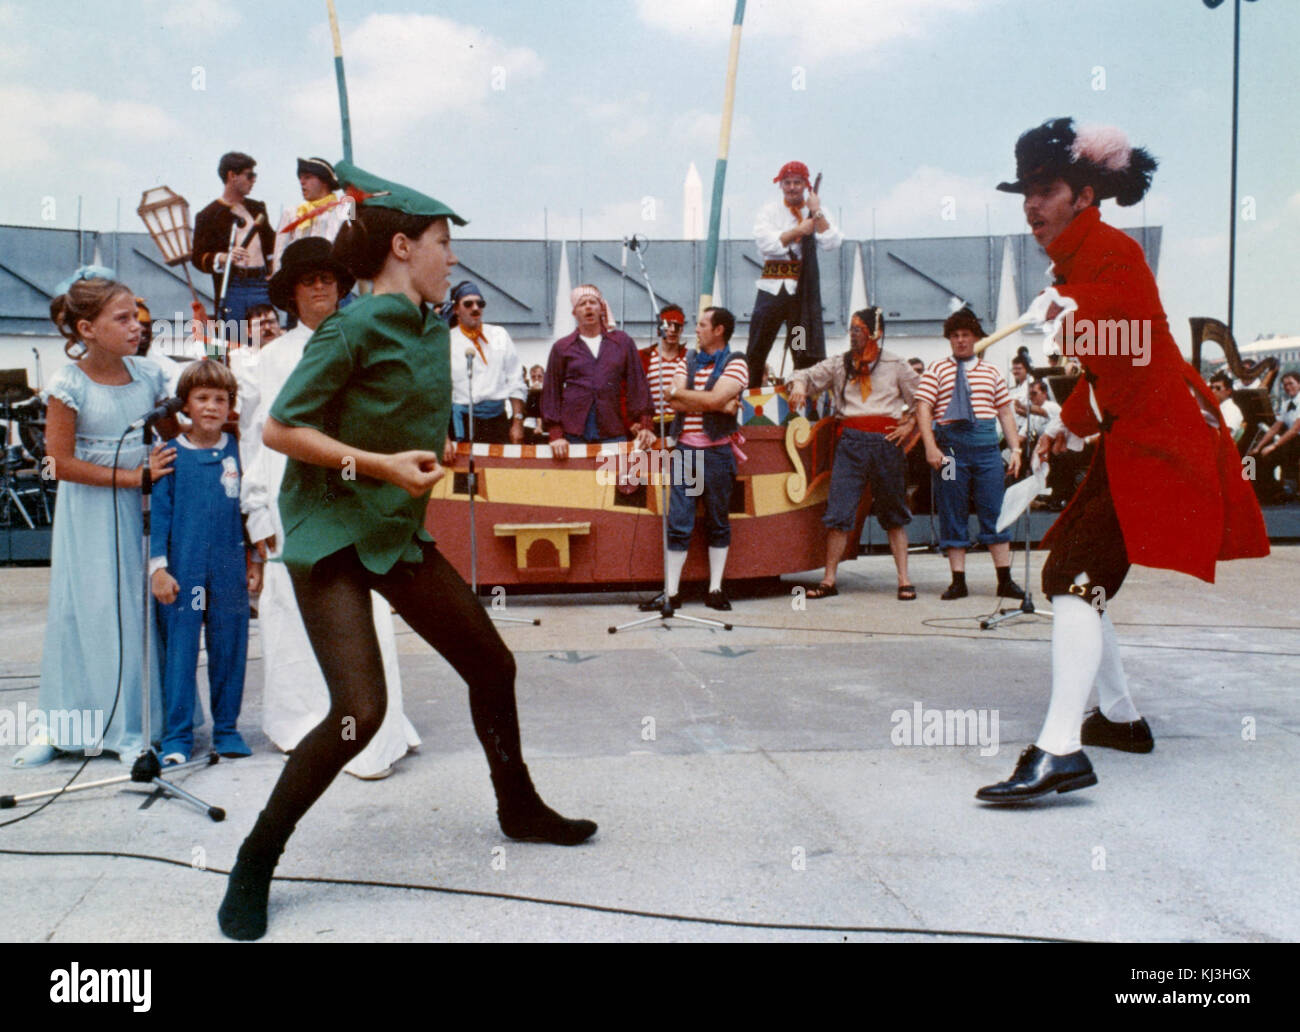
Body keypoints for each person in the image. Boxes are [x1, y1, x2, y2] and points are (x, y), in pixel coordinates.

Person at [218, 161, 595, 941]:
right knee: (360, 713)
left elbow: (392, 420)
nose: (451, 257)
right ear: (401, 246)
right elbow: (280, 428)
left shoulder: (432, 328)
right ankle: (257, 857)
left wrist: (434, 453)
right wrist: (381, 465)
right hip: (330, 538)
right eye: (441, 241)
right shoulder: (351, 326)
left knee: (492, 663)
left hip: (393, 533)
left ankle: (517, 806)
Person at [976, 118, 1269, 802]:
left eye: (1046, 190)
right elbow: (1117, 367)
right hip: (1137, 440)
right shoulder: (1081, 263)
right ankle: (1121, 717)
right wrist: (1065, 423)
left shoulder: (1109, 254)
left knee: (1075, 578)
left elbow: (1125, 343)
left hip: (1160, 445)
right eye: (1026, 192)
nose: (1032, 205)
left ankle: (1059, 750)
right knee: (1073, 572)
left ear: (1083, 195)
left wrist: (1067, 312)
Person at [241, 235, 419, 781]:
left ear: (343, 287)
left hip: (355, 499)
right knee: (293, 613)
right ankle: (303, 727)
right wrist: (258, 514)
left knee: (360, 611)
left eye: (328, 279)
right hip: (289, 500)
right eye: (307, 281)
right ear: (290, 295)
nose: (320, 288)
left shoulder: (367, 343)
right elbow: (255, 441)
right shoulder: (267, 361)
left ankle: (368, 731)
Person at [12, 271, 175, 767]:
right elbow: (55, 462)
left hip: (142, 513)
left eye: (136, 318)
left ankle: (132, 729)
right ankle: (63, 726)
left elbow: (174, 432)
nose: (136, 328)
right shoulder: (68, 383)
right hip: (88, 512)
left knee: (131, 609)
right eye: (122, 319)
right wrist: (132, 477)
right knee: (83, 611)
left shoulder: (149, 376)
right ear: (87, 328)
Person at [150, 360, 253, 763]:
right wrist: (158, 568)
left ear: (231, 407)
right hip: (186, 576)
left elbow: (248, 511)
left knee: (229, 647)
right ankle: (177, 737)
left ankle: (226, 729)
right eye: (202, 398)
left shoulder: (239, 452)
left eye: (221, 399)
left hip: (228, 572)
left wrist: (255, 559)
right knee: (182, 649)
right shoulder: (170, 456)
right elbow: (159, 517)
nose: (211, 406)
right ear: (185, 406)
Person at [787, 307, 920, 600]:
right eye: (850, 329)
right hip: (851, 443)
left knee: (895, 514)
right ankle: (829, 580)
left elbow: (923, 399)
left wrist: (909, 423)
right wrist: (799, 385)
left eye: (858, 329)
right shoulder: (840, 363)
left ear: (876, 333)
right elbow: (805, 375)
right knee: (839, 512)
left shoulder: (896, 363)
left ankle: (904, 579)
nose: (852, 334)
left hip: (887, 444)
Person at [639, 307, 747, 612]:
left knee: (717, 520)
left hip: (717, 452)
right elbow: (672, 398)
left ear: (719, 330)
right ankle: (671, 592)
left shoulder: (736, 362)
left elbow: (689, 397)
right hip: (686, 451)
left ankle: (715, 589)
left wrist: (695, 398)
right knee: (679, 521)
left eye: (702, 325)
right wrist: (717, 403)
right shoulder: (688, 359)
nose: (696, 330)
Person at [915, 307, 1024, 600]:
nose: (960, 341)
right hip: (950, 453)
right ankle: (958, 580)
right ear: (949, 339)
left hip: (987, 451)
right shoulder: (937, 369)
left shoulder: (991, 372)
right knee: (952, 508)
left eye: (966, 335)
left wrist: (1015, 448)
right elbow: (923, 408)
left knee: (995, 509)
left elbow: (1005, 411)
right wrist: (930, 446)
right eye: (955, 336)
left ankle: (1004, 579)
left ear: (976, 338)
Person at [746, 161, 843, 389]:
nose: (792, 188)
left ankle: (803, 392)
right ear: (781, 185)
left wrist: (817, 212)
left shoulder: (815, 211)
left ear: (805, 185)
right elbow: (766, 244)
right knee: (759, 343)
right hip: (773, 288)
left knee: (799, 344)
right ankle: (751, 393)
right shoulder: (770, 211)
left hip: (800, 294)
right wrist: (799, 231)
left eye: (797, 183)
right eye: (787, 183)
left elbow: (832, 241)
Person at [541, 284, 654, 459]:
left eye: (592, 302)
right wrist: (556, 435)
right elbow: (551, 393)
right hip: (574, 433)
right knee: (578, 485)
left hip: (613, 429)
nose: (588, 307)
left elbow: (638, 385)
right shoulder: (562, 347)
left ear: (601, 308)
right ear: (574, 313)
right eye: (582, 303)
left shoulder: (622, 342)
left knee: (615, 482)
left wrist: (646, 425)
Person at [192, 152, 277, 328]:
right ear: (232, 176)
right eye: (249, 175)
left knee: (266, 336)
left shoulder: (257, 208)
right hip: (233, 286)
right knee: (234, 340)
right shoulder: (208, 215)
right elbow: (197, 257)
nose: (253, 180)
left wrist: (274, 271)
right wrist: (223, 258)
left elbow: (271, 245)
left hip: (261, 284)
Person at [445, 280, 527, 444]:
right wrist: (444, 438)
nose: (475, 308)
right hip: (461, 421)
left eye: (480, 303)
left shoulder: (499, 335)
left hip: (496, 421)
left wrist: (518, 423)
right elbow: (438, 391)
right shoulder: (446, 340)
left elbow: (515, 381)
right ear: (456, 310)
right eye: (468, 304)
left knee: (498, 469)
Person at [271, 157, 351, 273]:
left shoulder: (345, 208)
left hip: (334, 277)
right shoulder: (292, 212)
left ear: (324, 181)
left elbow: (353, 246)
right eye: (300, 178)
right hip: (301, 277)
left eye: (307, 177)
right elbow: (280, 252)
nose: (302, 182)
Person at [1247, 370, 1300, 502]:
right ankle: (1252, 490)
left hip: (1296, 441)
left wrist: (1273, 446)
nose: (1288, 387)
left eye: (1291, 384)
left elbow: (1294, 430)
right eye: (1285, 385)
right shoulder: (1286, 404)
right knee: (1252, 457)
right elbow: (1275, 427)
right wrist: (1259, 446)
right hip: (1290, 442)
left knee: (1269, 456)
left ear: (1299, 384)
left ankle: (1273, 491)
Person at [640, 304, 688, 435]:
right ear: (659, 329)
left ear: (682, 330)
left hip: (681, 425)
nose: (672, 330)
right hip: (652, 426)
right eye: (668, 325)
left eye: (677, 326)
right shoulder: (644, 357)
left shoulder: (689, 358)